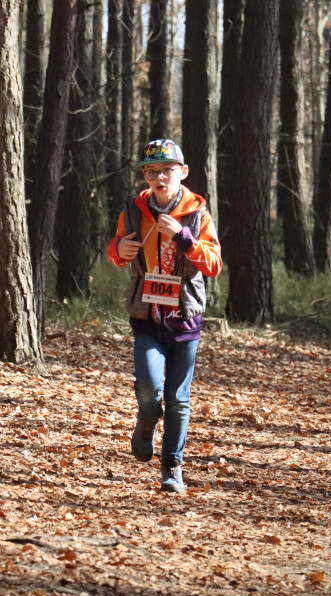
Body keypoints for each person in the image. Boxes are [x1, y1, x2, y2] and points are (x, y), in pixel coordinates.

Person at [107, 139, 222, 493]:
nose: (160, 178)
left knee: (178, 398)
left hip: (185, 318)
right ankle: (146, 419)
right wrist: (118, 249)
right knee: (147, 388)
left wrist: (184, 238)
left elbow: (214, 264)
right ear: (145, 175)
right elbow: (116, 253)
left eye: (167, 171)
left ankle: (172, 467)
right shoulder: (132, 211)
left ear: (182, 172)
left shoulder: (198, 214)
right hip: (146, 315)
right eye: (152, 171)